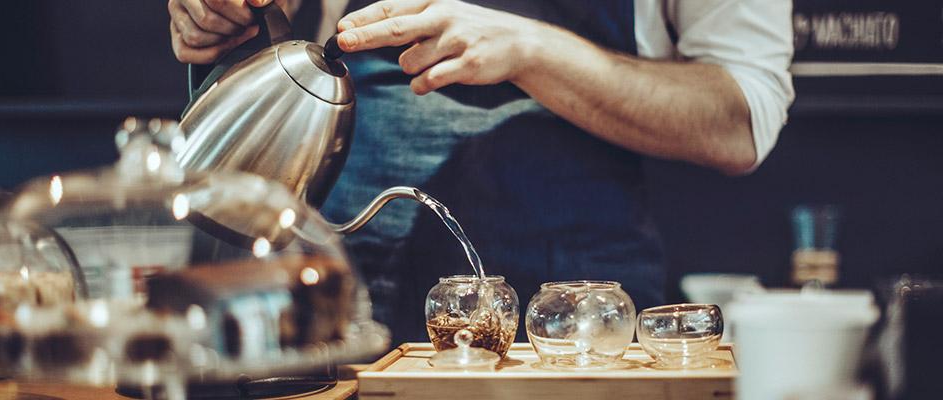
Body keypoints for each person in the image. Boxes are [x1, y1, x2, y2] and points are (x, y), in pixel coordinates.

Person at [169, 0, 794, 342]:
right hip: (339, 276)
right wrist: (225, 12)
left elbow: (739, 120)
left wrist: (531, 49)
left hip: (563, 300)